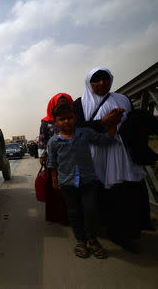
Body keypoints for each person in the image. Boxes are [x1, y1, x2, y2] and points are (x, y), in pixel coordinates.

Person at [74, 67, 153, 251]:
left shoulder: (122, 99)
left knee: (125, 192)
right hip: (96, 155)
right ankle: (99, 229)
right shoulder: (81, 103)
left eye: (106, 79)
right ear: (89, 83)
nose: (102, 83)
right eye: (96, 79)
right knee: (99, 194)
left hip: (121, 154)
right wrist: (104, 122)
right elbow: (78, 130)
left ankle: (123, 234)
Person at [47, 103, 116, 258]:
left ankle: (92, 238)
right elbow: (52, 163)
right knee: (73, 212)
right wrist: (54, 180)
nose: (66, 122)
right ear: (56, 122)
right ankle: (80, 240)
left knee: (91, 210)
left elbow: (104, 139)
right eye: (62, 119)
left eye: (69, 118)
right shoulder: (54, 142)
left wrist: (113, 124)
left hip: (88, 180)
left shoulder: (85, 133)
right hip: (67, 182)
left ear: (75, 118)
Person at [38, 93, 73, 225]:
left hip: (72, 157)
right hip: (54, 159)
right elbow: (42, 138)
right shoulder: (46, 121)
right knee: (56, 188)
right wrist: (42, 155)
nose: (62, 105)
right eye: (59, 103)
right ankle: (59, 216)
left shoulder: (73, 118)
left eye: (65, 103)